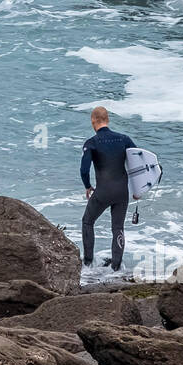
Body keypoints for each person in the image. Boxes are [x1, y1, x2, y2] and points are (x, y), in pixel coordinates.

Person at [79, 106, 136, 269]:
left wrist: (88, 186)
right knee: (118, 227)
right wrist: (138, 190)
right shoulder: (124, 139)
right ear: (107, 120)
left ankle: (88, 263)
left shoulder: (92, 143)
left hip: (103, 192)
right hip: (122, 192)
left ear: (92, 120)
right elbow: (139, 162)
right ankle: (116, 268)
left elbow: (84, 169)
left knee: (87, 221)